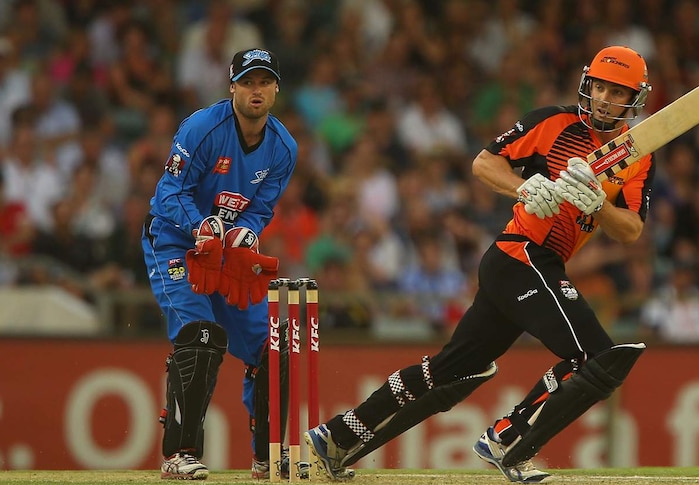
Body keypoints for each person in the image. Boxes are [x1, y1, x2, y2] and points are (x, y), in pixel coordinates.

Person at [305, 45, 655, 483]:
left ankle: (335, 436)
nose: (603, 97)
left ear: (634, 99)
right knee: (598, 356)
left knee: (455, 369)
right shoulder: (553, 122)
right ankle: (508, 439)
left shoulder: (638, 153)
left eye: (616, 91)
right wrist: (525, 188)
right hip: (520, 253)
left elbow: (631, 230)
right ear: (587, 84)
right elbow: (485, 163)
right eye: (599, 86)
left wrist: (600, 206)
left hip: (536, 264)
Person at [141, 48, 298, 480]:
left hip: (226, 252)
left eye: (264, 82)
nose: (256, 90)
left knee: (273, 346)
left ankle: (266, 456)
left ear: (276, 89)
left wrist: (245, 231)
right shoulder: (201, 128)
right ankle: (180, 452)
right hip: (174, 241)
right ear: (232, 86)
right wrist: (201, 226)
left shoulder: (284, 147)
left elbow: (261, 207)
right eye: (247, 82)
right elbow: (169, 192)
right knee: (202, 336)